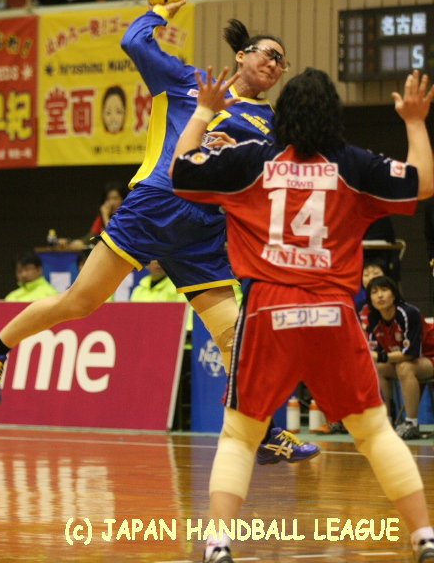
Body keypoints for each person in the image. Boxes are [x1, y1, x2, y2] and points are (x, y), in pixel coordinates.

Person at [0, 0, 319, 464]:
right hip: (155, 208)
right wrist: (159, 10)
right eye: (269, 53)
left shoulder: (272, 126)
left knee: (236, 338)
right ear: (242, 55)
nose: (275, 64)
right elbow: (134, 42)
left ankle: (265, 433)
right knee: (80, 302)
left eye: (282, 62)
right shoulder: (189, 81)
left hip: (204, 232)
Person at [170, 67, 434, 563]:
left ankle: (218, 544)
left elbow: (180, 170)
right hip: (332, 312)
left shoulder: (252, 159)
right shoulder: (353, 165)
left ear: (282, 116)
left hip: (268, 311)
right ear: (333, 116)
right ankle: (424, 537)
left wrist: (204, 110)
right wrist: (415, 121)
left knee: (240, 435)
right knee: (375, 432)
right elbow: (422, 184)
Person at [366, 275, 434, 440]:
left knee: (405, 367)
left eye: (384, 290)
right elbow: (376, 353)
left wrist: (379, 356)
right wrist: (377, 357)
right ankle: (386, 420)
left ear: (394, 294)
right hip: (409, 361)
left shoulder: (408, 313)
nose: (380, 295)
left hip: (429, 356)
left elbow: (410, 353)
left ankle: (411, 424)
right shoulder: (373, 318)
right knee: (379, 367)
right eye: (374, 292)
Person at [59, 181, 127, 250]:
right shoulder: (101, 218)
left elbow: (113, 238)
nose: (111, 202)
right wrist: (69, 241)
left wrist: (105, 215)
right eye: (108, 199)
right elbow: (90, 238)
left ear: (123, 200)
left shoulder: (126, 217)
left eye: (115, 198)